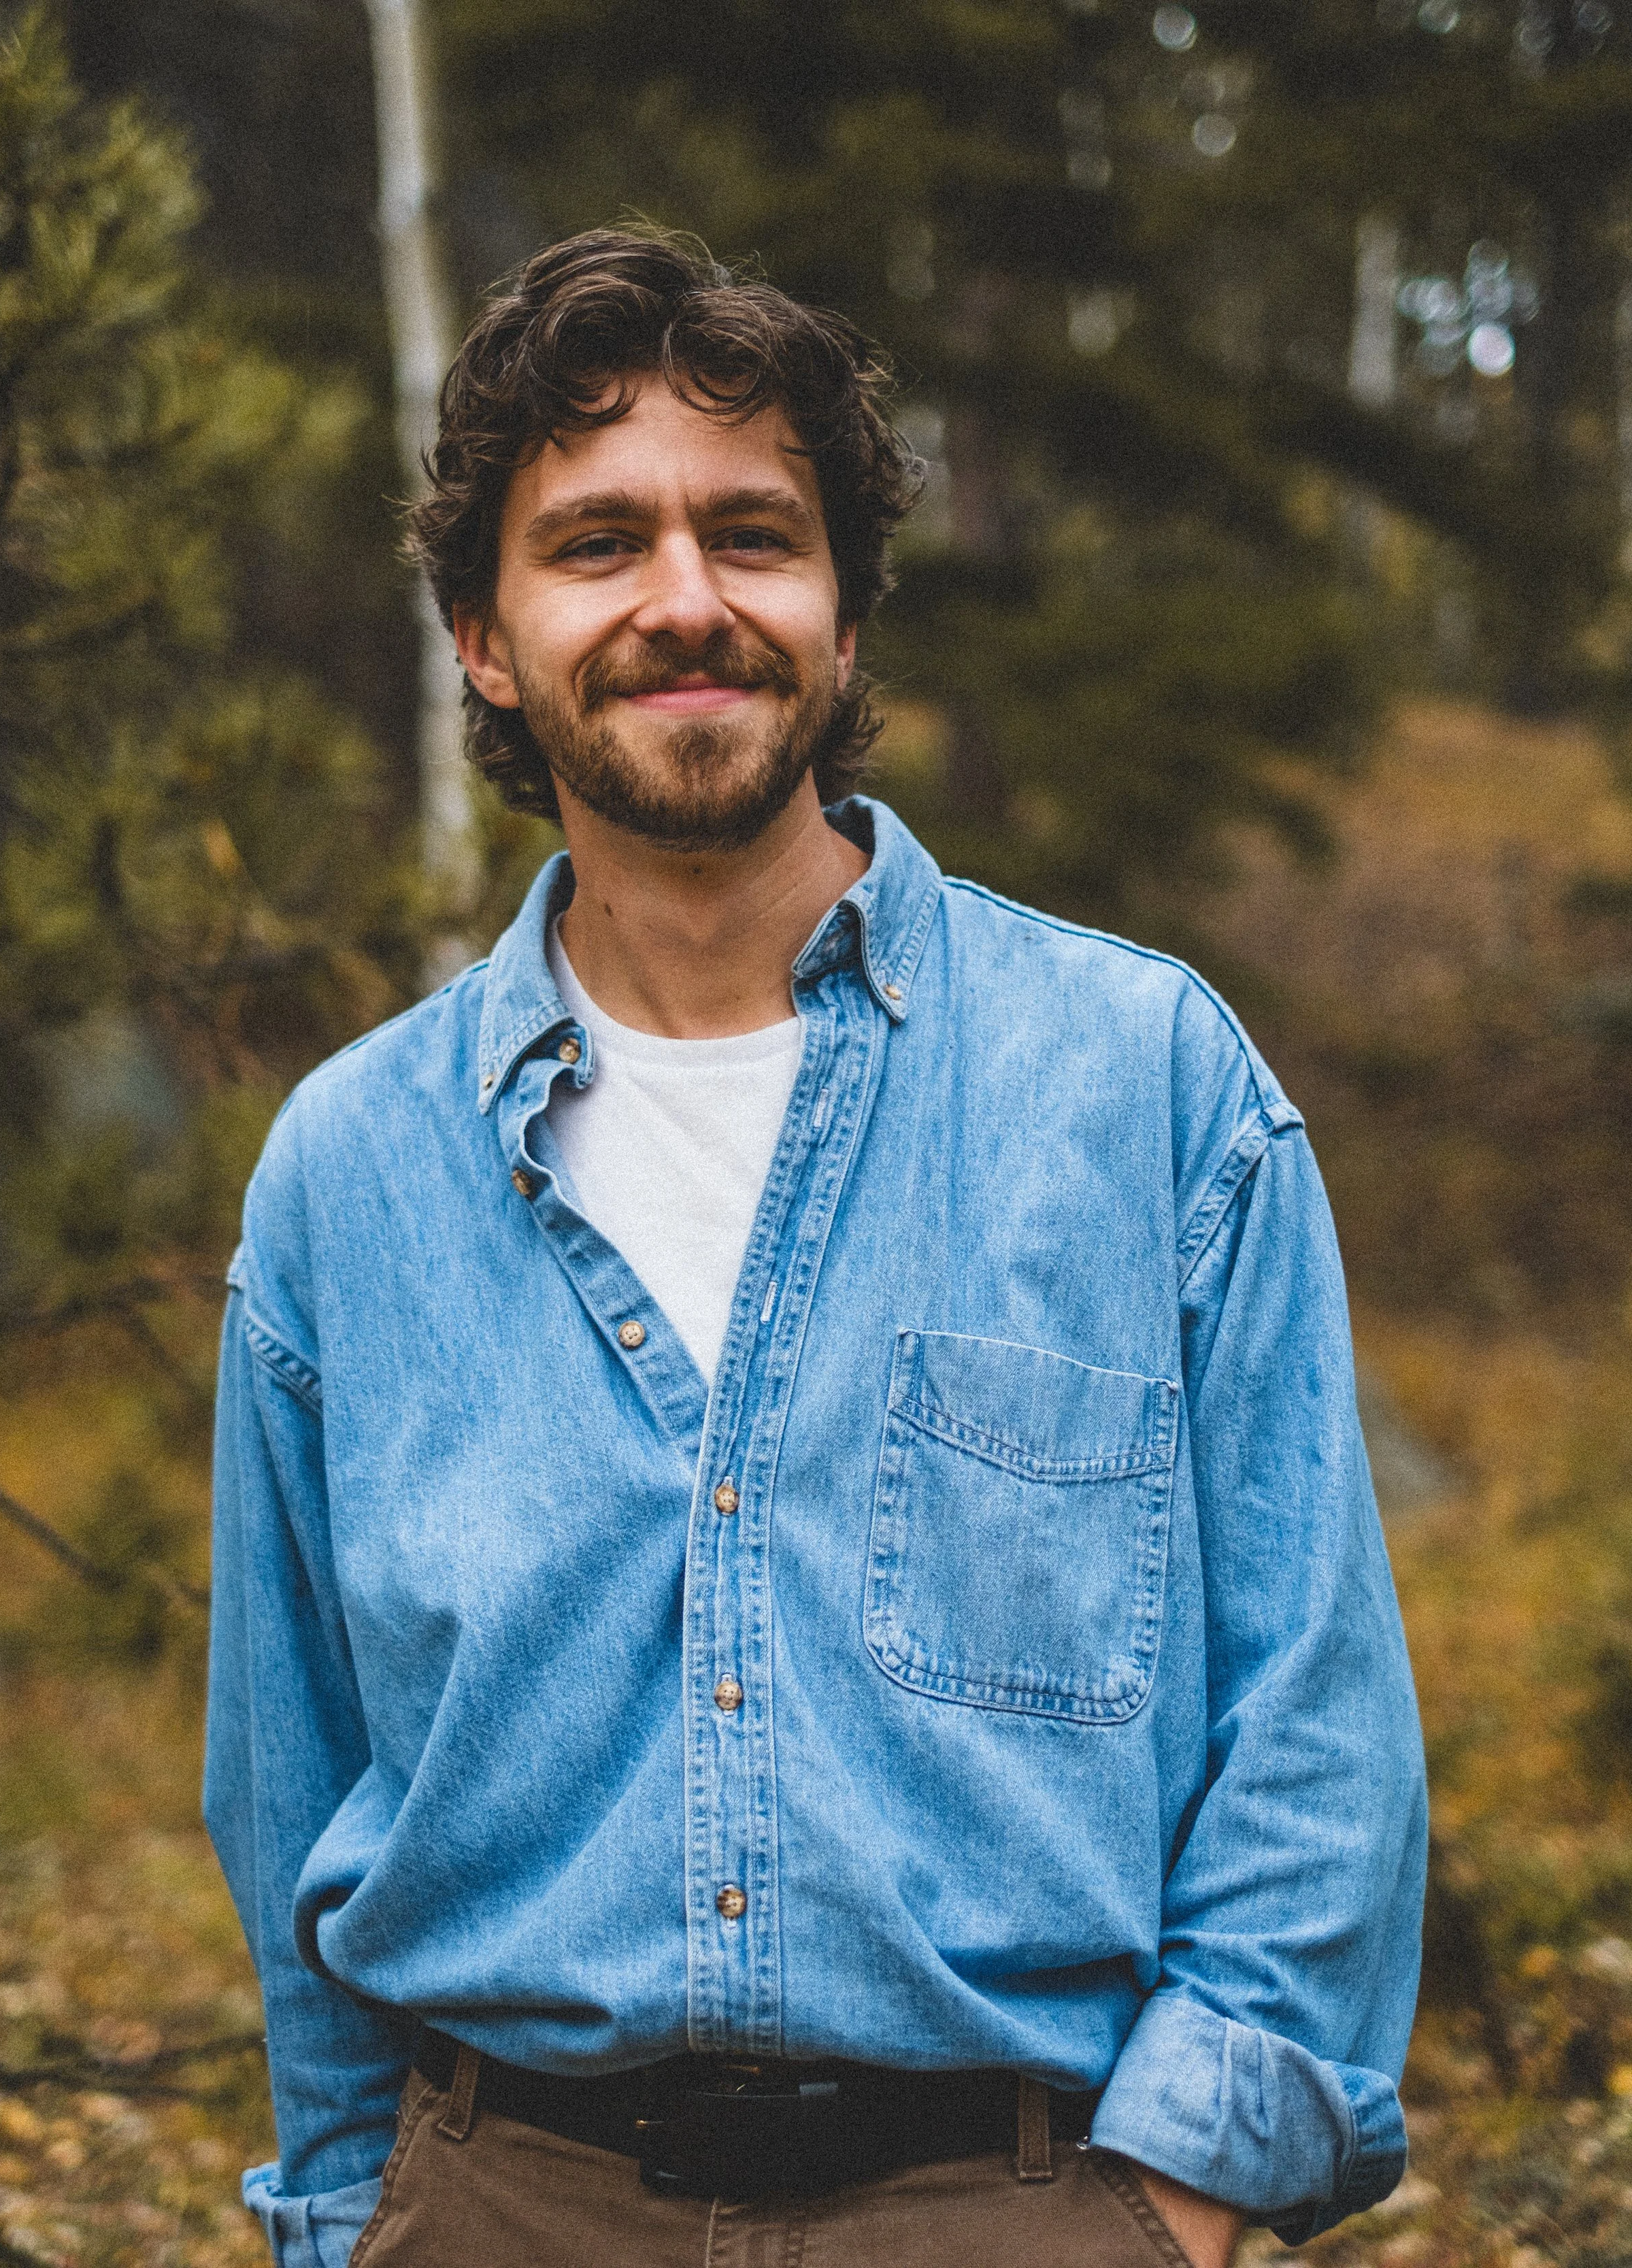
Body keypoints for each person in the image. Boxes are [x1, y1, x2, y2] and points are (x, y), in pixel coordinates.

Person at [205, 227, 1427, 2268]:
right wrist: (358, 2214)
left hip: (1019, 2204)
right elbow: (285, 1775)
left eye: (753, 534)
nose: (686, 601)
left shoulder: (1143, 1088)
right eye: (596, 542)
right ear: (482, 639)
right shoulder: (349, 1171)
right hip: (504, 2204)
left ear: (844, 614)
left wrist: (1170, 2209)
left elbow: (1311, 1719)